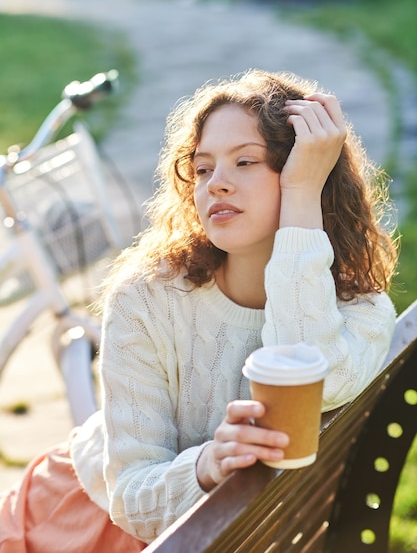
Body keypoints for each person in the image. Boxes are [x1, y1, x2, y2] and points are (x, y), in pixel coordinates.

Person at [0, 69, 398, 552]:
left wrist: (300, 199)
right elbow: (129, 493)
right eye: (204, 168)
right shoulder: (146, 297)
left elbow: (311, 372)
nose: (217, 185)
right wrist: (208, 466)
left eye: (245, 162)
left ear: (308, 174)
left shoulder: (360, 311)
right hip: (82, 521)